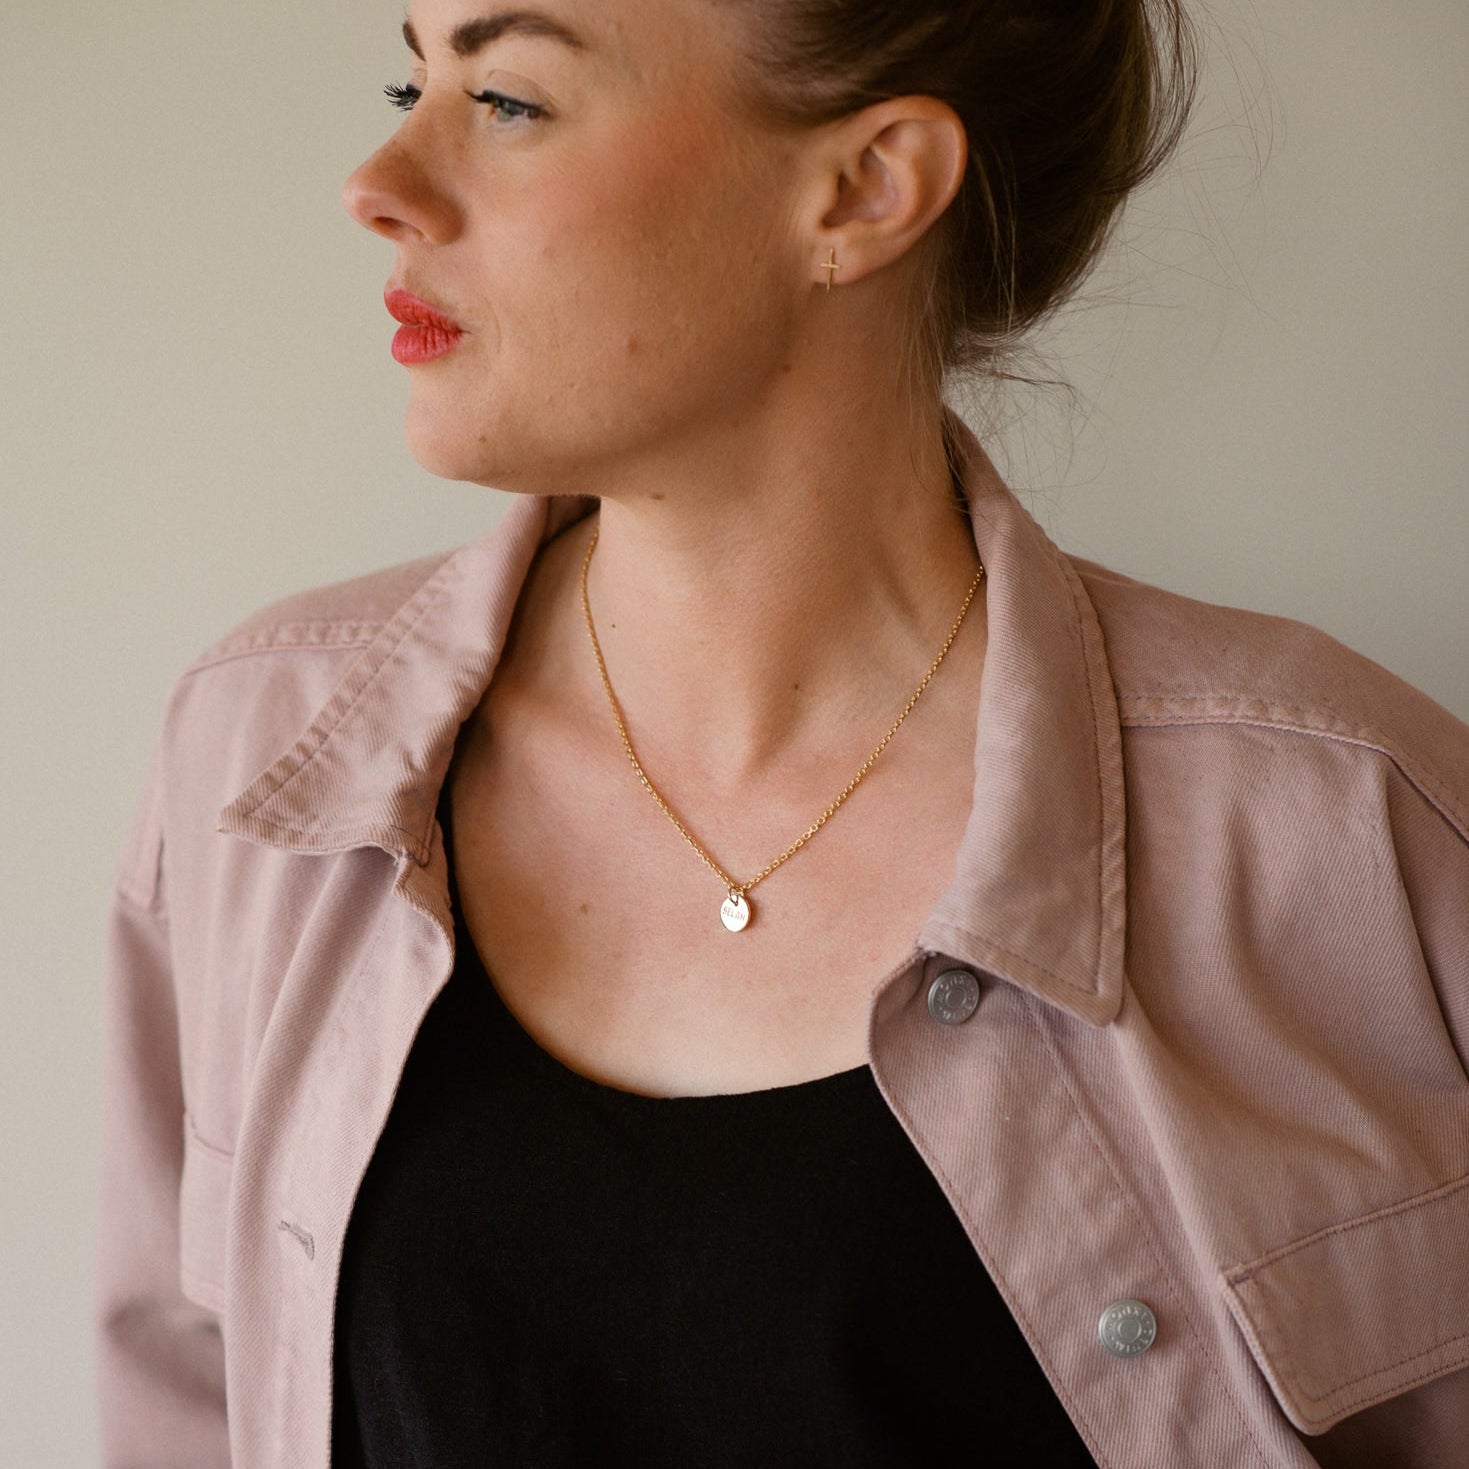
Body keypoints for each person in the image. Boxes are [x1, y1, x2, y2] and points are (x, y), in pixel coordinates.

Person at [95, 0, 1469, 1464]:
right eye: (407, 75)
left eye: (504, 99)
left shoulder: (1346, 832)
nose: (379, 180)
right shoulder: (259, 768)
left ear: (864, 186)